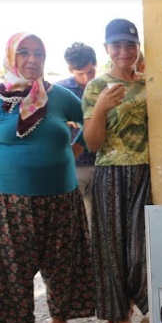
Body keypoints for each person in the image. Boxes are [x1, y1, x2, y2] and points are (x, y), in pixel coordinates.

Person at [0, 33, 95, 323]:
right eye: (24, 53)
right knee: (14, 265)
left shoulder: (60, 96)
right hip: (7, 198)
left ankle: (59, 321)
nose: (32, 59)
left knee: (62, 262)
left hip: (61, 195)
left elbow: (89, 120)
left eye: (39, 53)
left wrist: (78, 145)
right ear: (12, 57)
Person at [82, 18, 150, 323]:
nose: (125, 51)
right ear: (107, 48)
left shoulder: (149, 85)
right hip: (110, 172)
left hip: (144, 171)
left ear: (138, 48)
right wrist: (100, 108)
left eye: (131, 45)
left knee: (141, 246)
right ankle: (120, 314)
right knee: (111, 246)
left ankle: (146, 302)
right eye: (117, 45)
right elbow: (92, 144)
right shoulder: (96, 87)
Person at [56, 42, 97, 222]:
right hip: (73, 166)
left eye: (91, 72)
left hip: (100, 164)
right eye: (80, 74)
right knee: (71, 219)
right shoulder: (59, 92)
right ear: (70, 70)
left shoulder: (104, 87)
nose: (87, 78)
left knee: (95, 220)